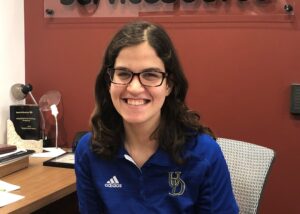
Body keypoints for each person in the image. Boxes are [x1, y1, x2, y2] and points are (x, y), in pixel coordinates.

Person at [75, 20, 239, 214]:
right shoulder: (89, 151)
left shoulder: (204, 154)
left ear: (169, 85)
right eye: (123, 73)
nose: (134, 88)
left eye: (150, 75)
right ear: (109, 82)